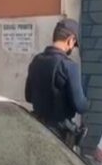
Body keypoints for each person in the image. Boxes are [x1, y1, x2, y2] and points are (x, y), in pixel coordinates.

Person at [25, 18, 90, 147]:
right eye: (74, 43)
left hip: (38, 129)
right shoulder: (69, 66)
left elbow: (28, 97)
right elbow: (80, 106)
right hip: (60, 136)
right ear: (70, 40)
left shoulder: (36, 61)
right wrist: (88, 103)